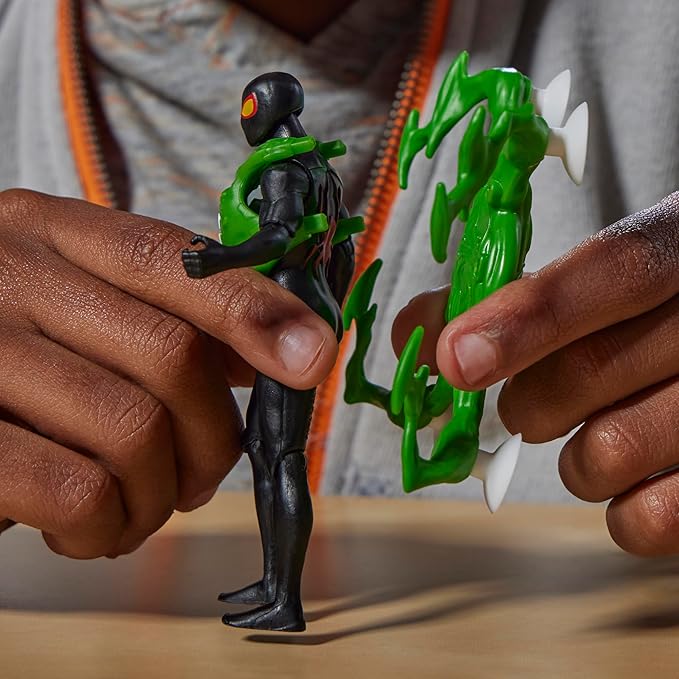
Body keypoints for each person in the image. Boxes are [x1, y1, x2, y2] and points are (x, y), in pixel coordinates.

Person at [0, 0, 678, 561]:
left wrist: (220, 260)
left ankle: (278, 587)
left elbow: (281, 236)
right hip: (302, 306)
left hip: (287, 310)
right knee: (273, 451)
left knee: (276, 454)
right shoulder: (306, 163)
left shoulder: (284, 167)